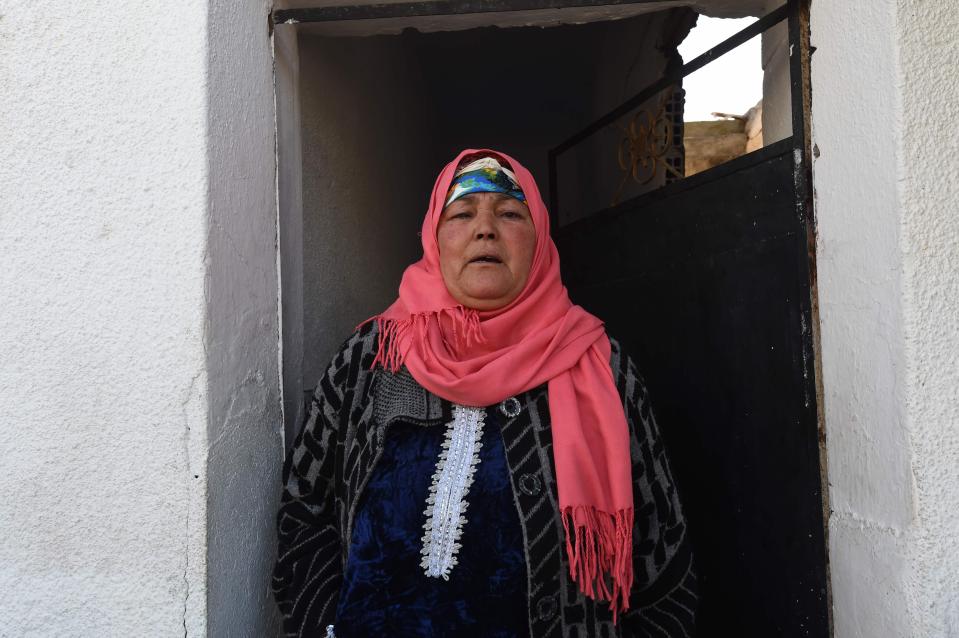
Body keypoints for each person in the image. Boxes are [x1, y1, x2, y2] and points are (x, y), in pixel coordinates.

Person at [272, 149, 697, 637]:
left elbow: (665, 564)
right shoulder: (373, 356)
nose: (485, 229)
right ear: (434, 237)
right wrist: (324, 627)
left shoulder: (600, 364)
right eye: (462, 213)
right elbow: (303, 513)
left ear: (538, 239)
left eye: (511, 213)